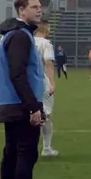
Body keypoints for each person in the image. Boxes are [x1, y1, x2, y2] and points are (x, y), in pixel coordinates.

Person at [0, 0, 52, 179]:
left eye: (40, 7)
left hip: (9, 103)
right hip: (21, 104)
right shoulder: (20, 36)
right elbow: (17, 73)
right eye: (34, 7)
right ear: (21, 10)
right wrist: (33, 107)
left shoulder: (12, 34)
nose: (39, 10)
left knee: (11, 154)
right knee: (25, 154)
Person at [34, 21, 58, 157]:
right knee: (46, 115)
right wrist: (52, 83)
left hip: (27, 83)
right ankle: (46, 148)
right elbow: (48, 63)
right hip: (42, 82)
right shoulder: (46, 43)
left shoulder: (27, 41)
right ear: (46, 29)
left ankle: (28, 147)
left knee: (30, 114)